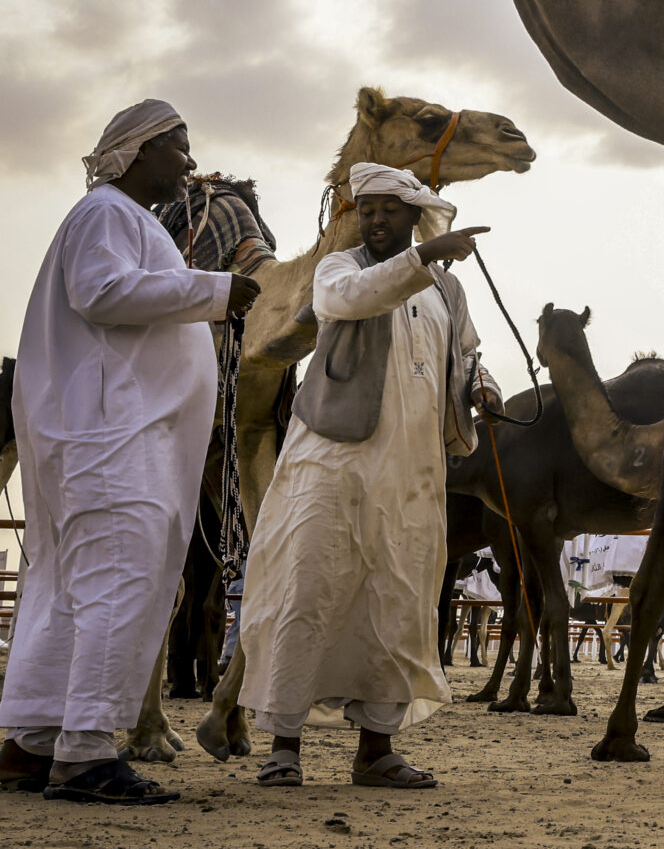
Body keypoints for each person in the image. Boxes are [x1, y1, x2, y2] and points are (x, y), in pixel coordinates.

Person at [0, 101, 261, 805]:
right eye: (178, 147)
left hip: (103, 438)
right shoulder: (107, 213)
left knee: (67, 595)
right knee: (119, 585)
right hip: (116, 441)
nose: (189, 161)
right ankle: (84, 754)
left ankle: (31, 742)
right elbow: (102, 291)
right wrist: (215, 290)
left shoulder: (121, 219)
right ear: (139, 151)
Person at [230, 163, 501, 789]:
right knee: (308, 592)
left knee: (398, 602)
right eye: (367, 208)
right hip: (331, 467)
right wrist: (425, 257)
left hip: (411, 475)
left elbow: (462, 358)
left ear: (413, 215)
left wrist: (482, 388)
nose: (376, 218)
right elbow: (346, 302)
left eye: (389, 209)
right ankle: (284, 749)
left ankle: (376, 749)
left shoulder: (447, 293)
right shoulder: (340, 270)